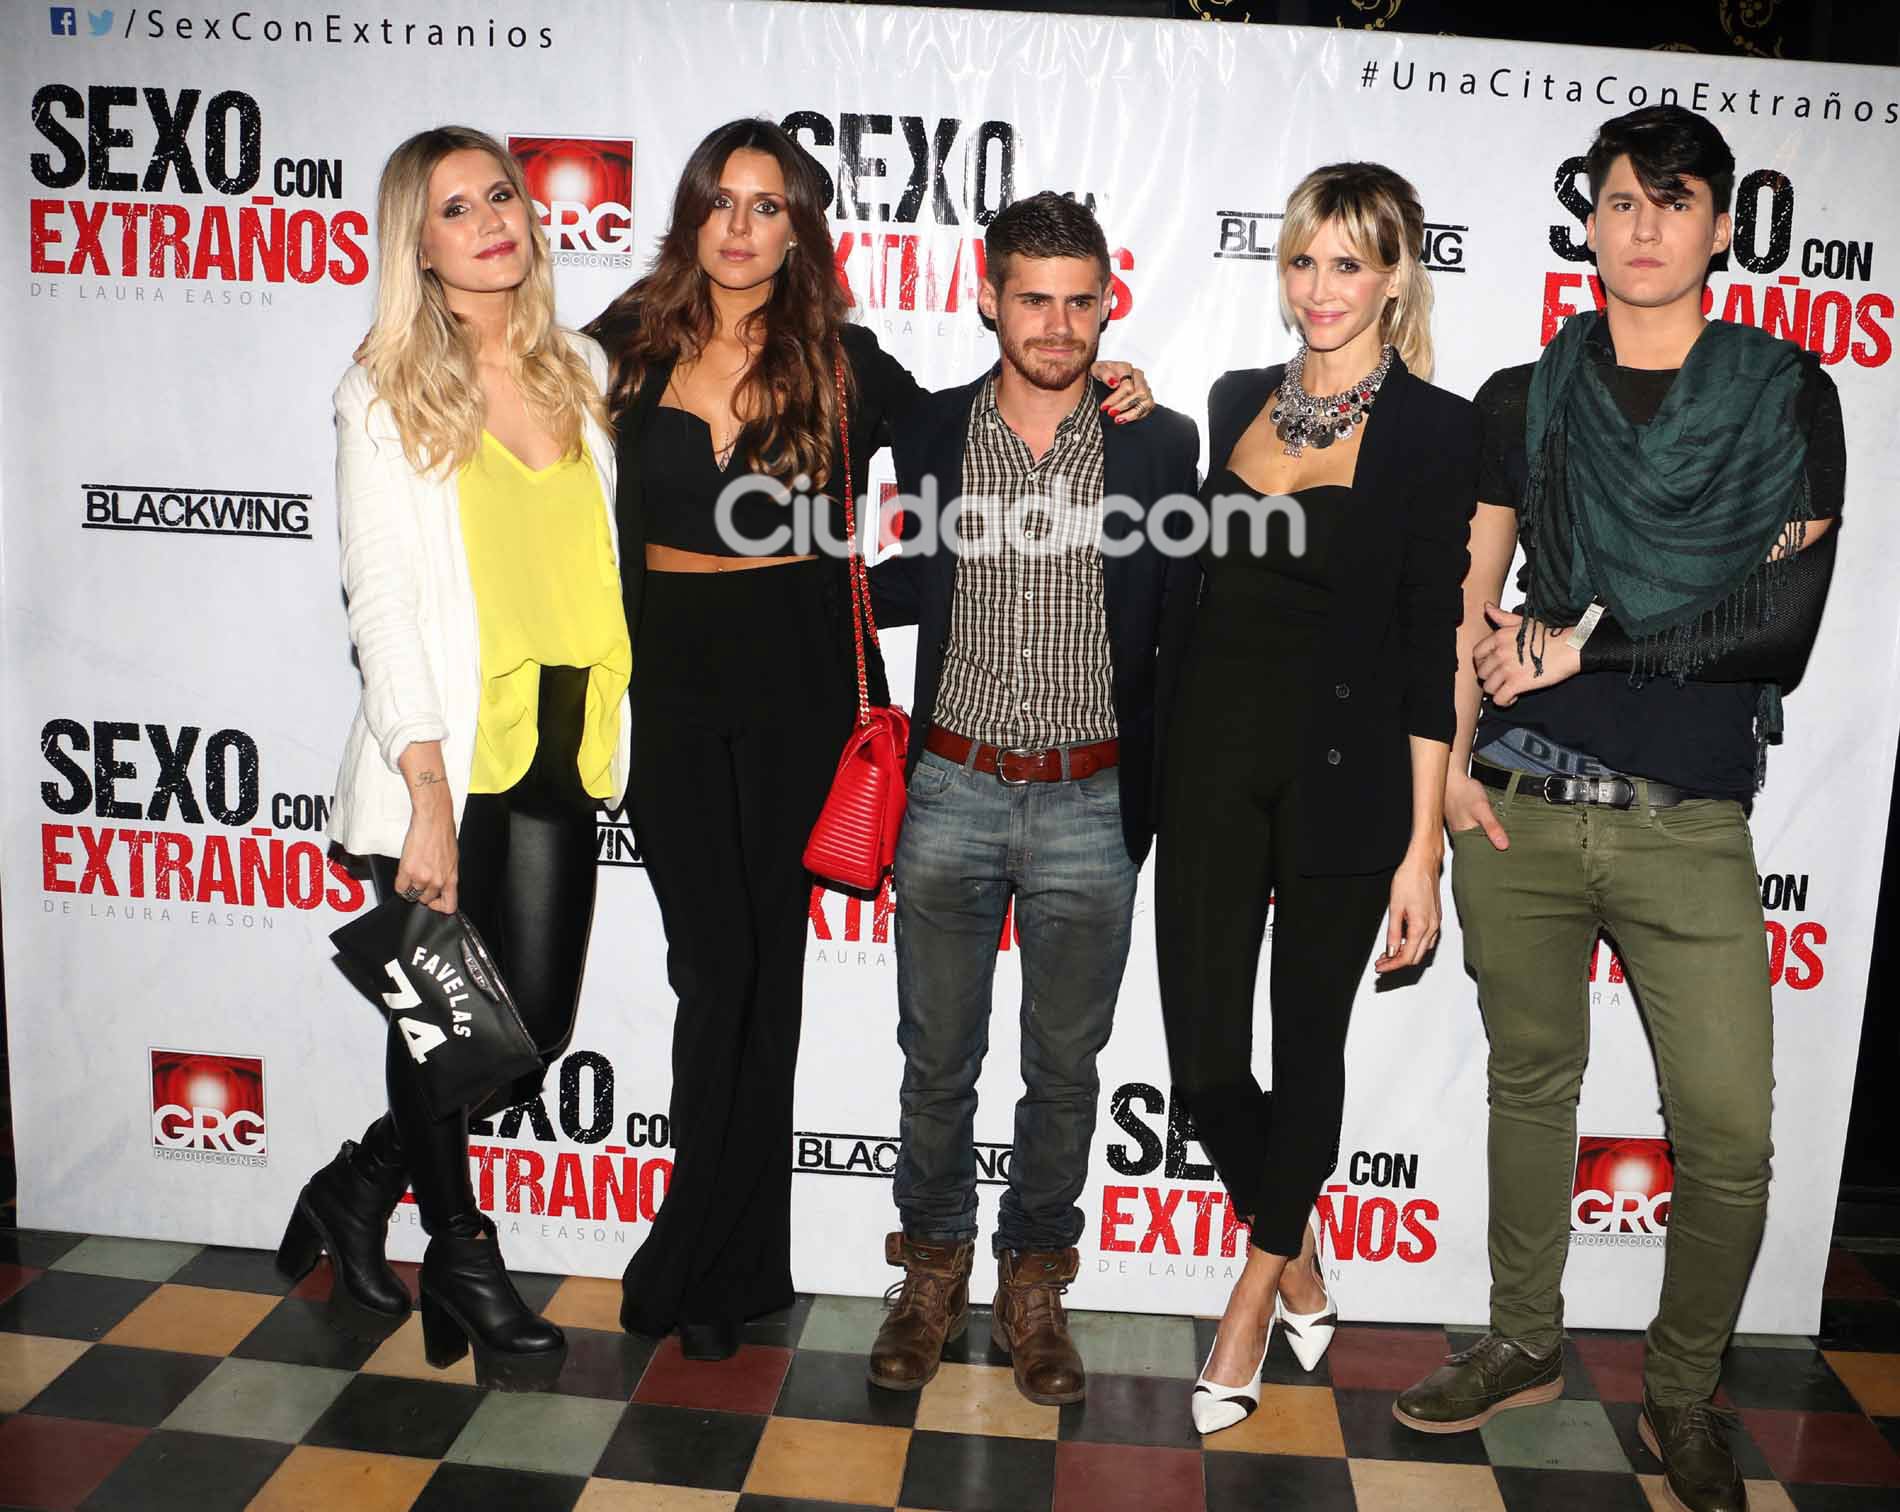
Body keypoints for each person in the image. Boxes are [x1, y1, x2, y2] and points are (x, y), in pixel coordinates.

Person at [586, 122, 1152, 1361]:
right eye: (721, 203)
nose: (741, 228)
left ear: (801, 228)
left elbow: (975, 435)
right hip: (672, 692)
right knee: (707, 978)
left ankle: (732, 1269)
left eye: (768, 205)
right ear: (691, 216)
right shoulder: (621, 346)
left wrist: (1113, 390)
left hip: (796, 697)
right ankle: (699, 1241)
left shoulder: (844, 363)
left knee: (768, 986)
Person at [1392, 105, 1843, 1512]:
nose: (1642, 225)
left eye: (1674, 200)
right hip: (1519, 809)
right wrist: (1451, 770)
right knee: (1531, 1091)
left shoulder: (1785, 397)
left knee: (1727, 1134)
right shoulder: (1526, 401)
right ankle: (1523, 1339)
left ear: (1722, 226)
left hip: (1685, 822)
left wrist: (1586, 646)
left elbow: (1781, 625)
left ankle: (1684, 1390)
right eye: (1618, 201)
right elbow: (1467, 606)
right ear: (1587, 221)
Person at [280, 126, 630, 1387]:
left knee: (523, 1027)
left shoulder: (580, 366)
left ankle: (355, 1184)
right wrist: (425, 794)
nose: (490, 220)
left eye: (502, 197)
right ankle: (465, 1258)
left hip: (562, 736)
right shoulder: (382, 384)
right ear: (416, 247)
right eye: (454, 208)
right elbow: (377, 600)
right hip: (450, 753)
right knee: (444, 1021)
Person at [1153, 163, 1475, 1435]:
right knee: (1204, 1062)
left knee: (1307, 1048)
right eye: (1302, 261)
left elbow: (1423, 647)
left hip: (1346, 786)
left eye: (1349, 263)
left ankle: (1248, 1296)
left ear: (1395, 275)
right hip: (1209, 768)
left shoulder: (1437, 429)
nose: (1322, 288)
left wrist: (1420, 850)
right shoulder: (1233, 399)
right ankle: (1300, 1252)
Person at [863, 190, 1196, 1407]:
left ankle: (1035, 1280)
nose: (1056, 326)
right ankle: (930, 1270)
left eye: (1079, 301)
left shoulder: (1159, 446)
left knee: (1065, 1067)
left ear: (1108, 300)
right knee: (934, 1056)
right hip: (947, 784)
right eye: (1031, 298)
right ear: (985, 293)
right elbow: (887, 566)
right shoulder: (930, 430)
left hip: (1093, 800)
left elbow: (1183, 624)